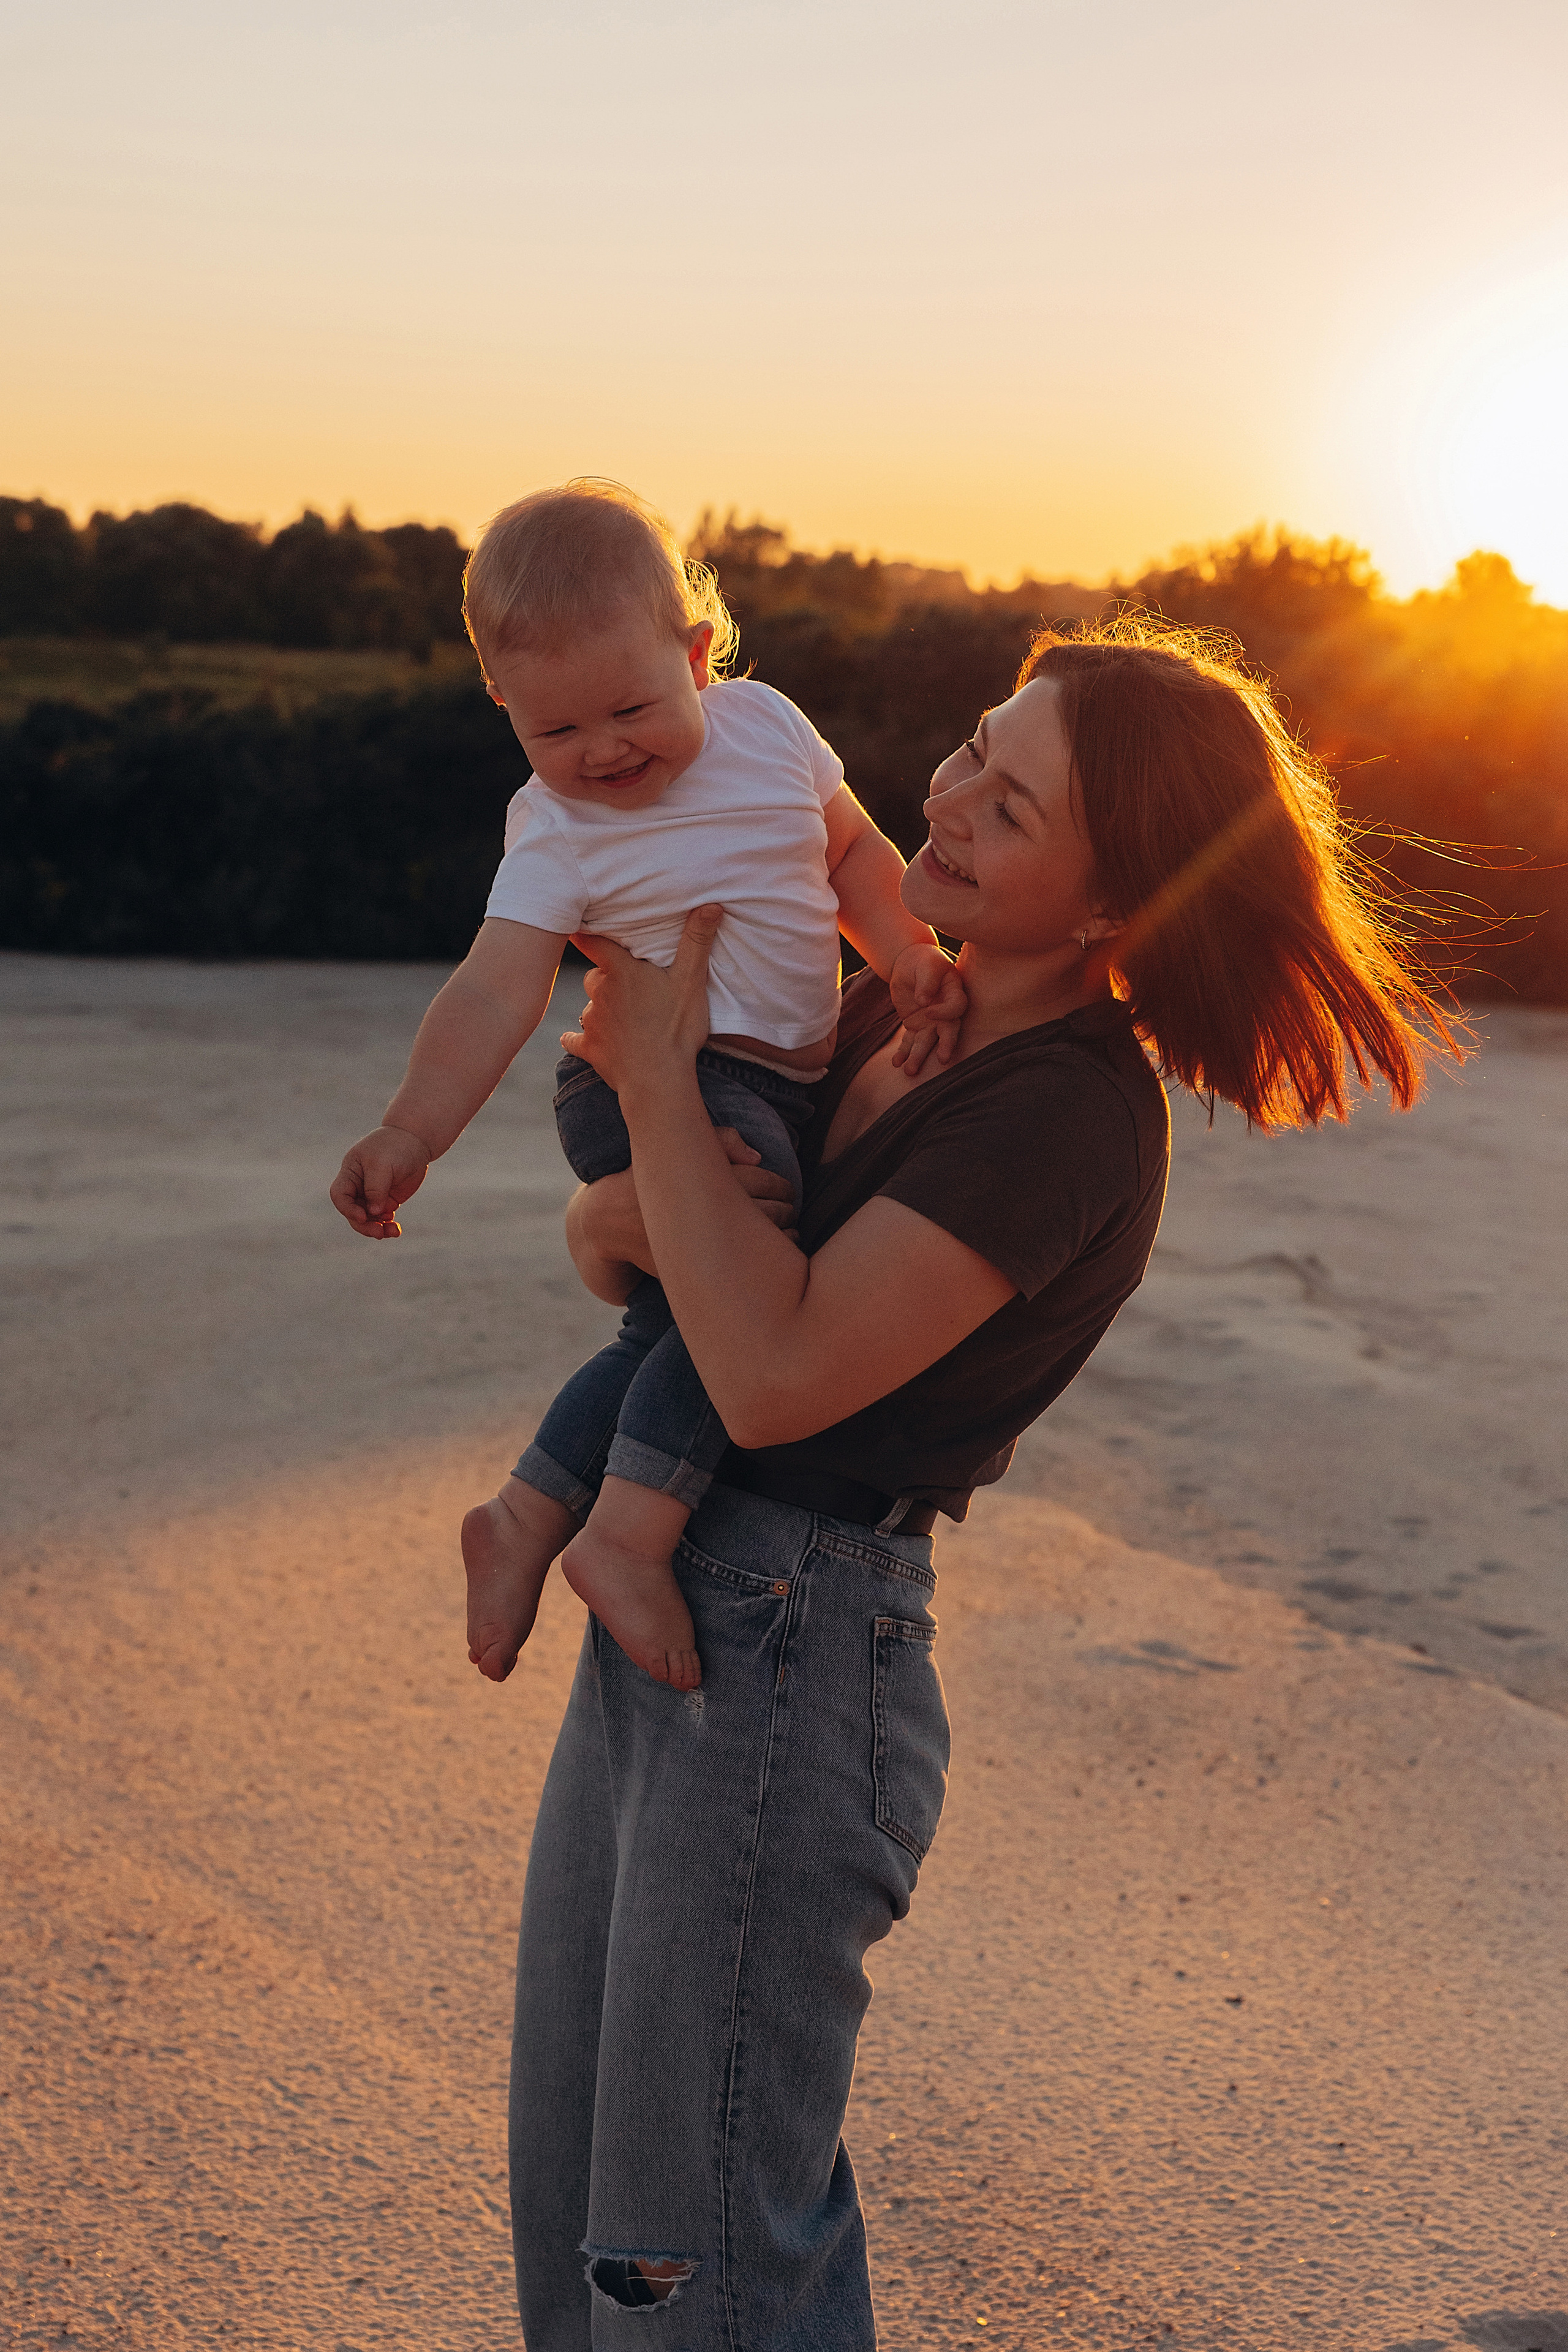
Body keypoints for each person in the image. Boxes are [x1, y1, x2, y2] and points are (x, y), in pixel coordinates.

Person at [507, 617, 1455, 2343]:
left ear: (1111, 906)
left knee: (691, 2244)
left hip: (795, 1646)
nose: (942, 800)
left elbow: (769, 1371)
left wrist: (648, 1083)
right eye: (970, 749)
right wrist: (619, 1201)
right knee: (579, 2195)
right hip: (664, 1585)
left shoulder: (1067, 1116)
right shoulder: (882, 1003)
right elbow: (623, 1263)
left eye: (1009, 806)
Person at [328, 480, 963, 1691]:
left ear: (697, 654)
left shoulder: (768, 728)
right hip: (648, 1080)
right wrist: (412, 1129)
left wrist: (906, 955)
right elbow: (495, 989)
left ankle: (524, 1513)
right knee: (754, 1282)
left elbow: (850, 854)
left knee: (676, 1319)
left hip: (777, 1081)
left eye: (630, 708)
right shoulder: (553, 830)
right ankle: (626, 1533)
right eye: (555, 731)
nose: (603, 751)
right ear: (503, 705)